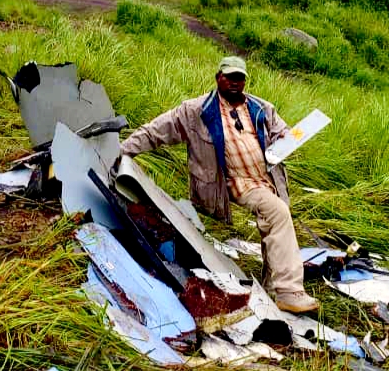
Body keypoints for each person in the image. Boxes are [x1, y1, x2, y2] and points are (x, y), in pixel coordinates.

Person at [120, 56, 319, 313]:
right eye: (229, 77)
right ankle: (290, 292)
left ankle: (272, 284)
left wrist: (285, 138)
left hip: (268, 178)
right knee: (277, 212)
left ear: (245, 81)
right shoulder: (197, 111)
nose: (235, 82)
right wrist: (123, 151)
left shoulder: (262, 109)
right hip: (237, 183)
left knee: (275, 218)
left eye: (240, 78)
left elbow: (284, 132)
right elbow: (155, 131)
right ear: (218, 78)